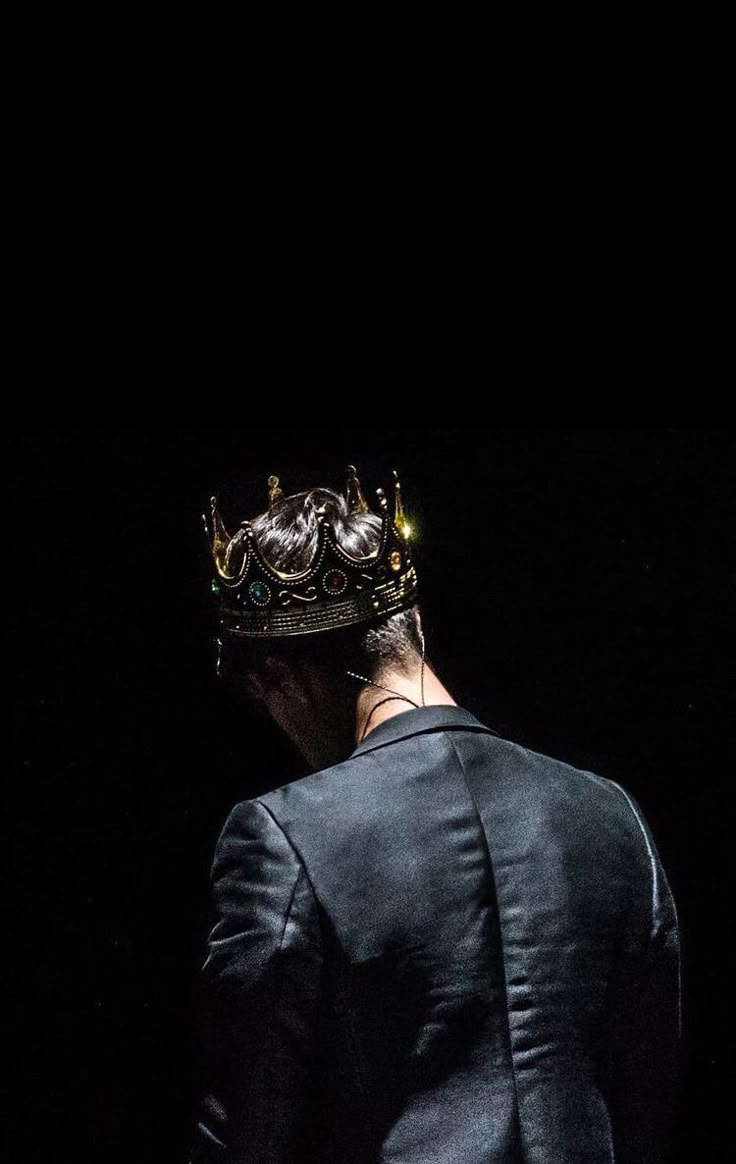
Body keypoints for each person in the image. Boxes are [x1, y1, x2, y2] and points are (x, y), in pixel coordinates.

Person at [189, 466, 682, 1163]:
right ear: (414, 623)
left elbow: (246, 1124)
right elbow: (647, 1099)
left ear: (281, 679)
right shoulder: (610, 816)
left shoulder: (282, 836)